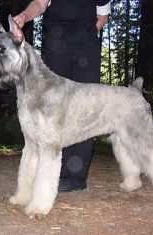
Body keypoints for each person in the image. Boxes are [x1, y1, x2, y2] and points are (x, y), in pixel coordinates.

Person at [14, 0, 111, 192]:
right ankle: (50, 173)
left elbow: (102, 17)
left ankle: (75, 175)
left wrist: (85, 38)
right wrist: (24, 16)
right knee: (52, 111)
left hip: (86, 47)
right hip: (56, 44)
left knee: (84, 109)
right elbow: (41, 3)